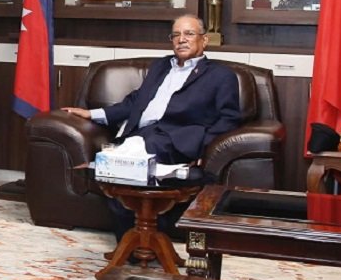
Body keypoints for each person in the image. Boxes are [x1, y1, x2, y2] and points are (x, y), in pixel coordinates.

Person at [62, 14, 241, 240]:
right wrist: (92, 114)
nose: (181, 40)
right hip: (142, 135)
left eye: (189, 34)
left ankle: (141, 245)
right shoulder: (161, 66)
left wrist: (205, 149)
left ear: (204, 40)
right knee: (114, 178)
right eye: (176, 35)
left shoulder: (221, 75)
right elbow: (135, 102)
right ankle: (133, 244)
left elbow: (229, 118)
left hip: (175, 139)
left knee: (120, 167)